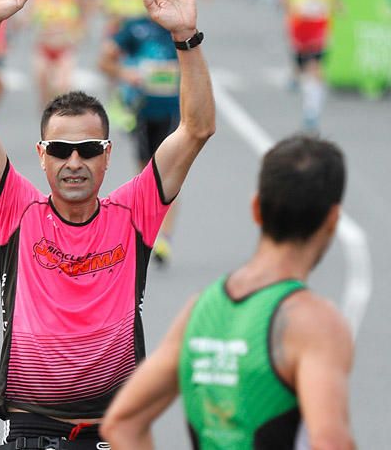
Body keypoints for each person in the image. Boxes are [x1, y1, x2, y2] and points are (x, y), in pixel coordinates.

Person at [0, 0, 214, 448]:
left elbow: (197, 128)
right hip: (30, 426)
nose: (75, 162)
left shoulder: (134, 211)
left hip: (112, 429)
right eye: (62, 150)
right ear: (42, 154)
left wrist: (186, 37)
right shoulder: (16, 210)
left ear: (107, 155)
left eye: (88, 149)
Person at [101, 135, 355, 450]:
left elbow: (122, 423)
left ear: (256, 209)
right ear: (332, 220)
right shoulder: (314, 323)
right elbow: (330, 442)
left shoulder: (201, 309)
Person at [99, 12, 182, 265]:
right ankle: (146, 233)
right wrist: (126, 75)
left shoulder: (180, 28)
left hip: (172, 111)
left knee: (169, 175)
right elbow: (105, 61)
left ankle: (164, 239)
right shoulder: (135, 28)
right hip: (143, 109)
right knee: (146, 174)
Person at [282, 0, 338, 131]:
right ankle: (297, 77)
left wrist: (337, 9)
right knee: (303, 69)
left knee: (315, 69)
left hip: (319, 25)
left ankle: (311, 113)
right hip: (300, 25)